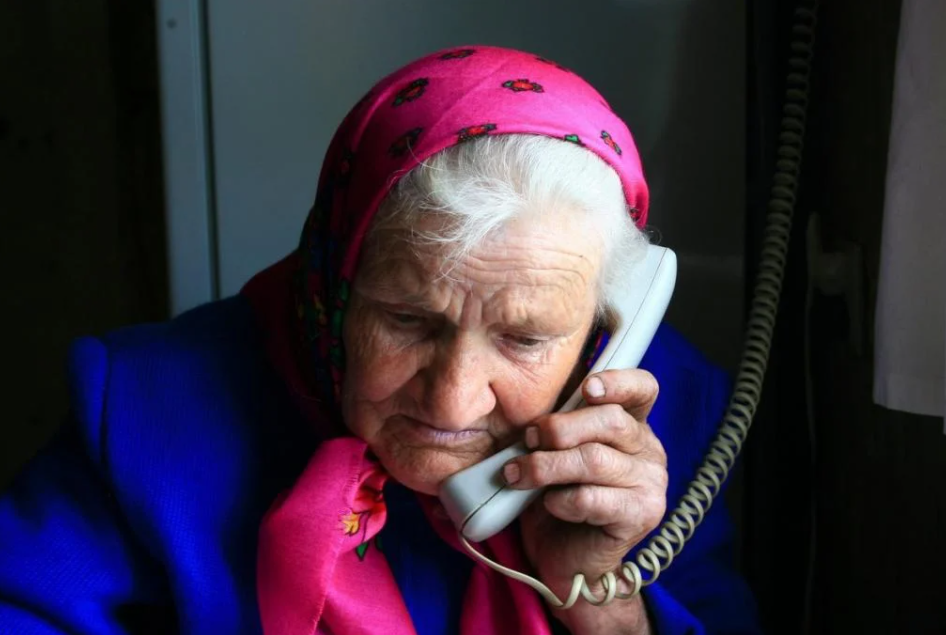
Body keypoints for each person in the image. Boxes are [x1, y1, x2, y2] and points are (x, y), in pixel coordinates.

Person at [0, 46, 760, 634]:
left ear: (608, 321)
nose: (453, 398)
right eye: (408, 320)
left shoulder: (670, 419)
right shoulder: (144, 406)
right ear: (335, 279)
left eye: (524, 338)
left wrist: (600, 598)